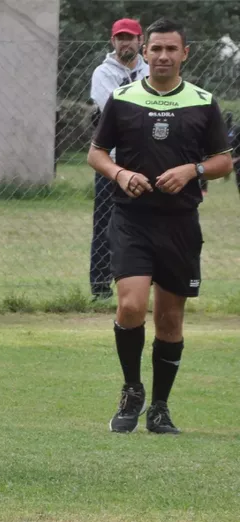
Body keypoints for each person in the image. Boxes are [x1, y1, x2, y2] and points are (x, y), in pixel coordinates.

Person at [87, 18, 232, 435]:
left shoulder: (202, 101)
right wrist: (120, 174)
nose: (163, 56)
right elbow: (96, 154)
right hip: (131, 220)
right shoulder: (122, 98)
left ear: (185, 53)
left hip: (180, 224)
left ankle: (160, 408)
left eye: (171, 49)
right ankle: (132, 391)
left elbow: (223, 161)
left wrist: (192, 170)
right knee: (131, 306)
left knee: (169, 320)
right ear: (144, 52)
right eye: (156, 49)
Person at [88, 18, 150, 301]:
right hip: (112, 162)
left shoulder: (149, 70)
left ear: (140, 41)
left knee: (150, 223)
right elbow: (113, 111)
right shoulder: (103, 72)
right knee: (105, 224)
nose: (126, 43)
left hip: (150, 160)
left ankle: (146, 283)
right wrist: (149, 111)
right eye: (120, 38)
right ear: (113, 41)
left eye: (131, 37)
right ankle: (101, 288)